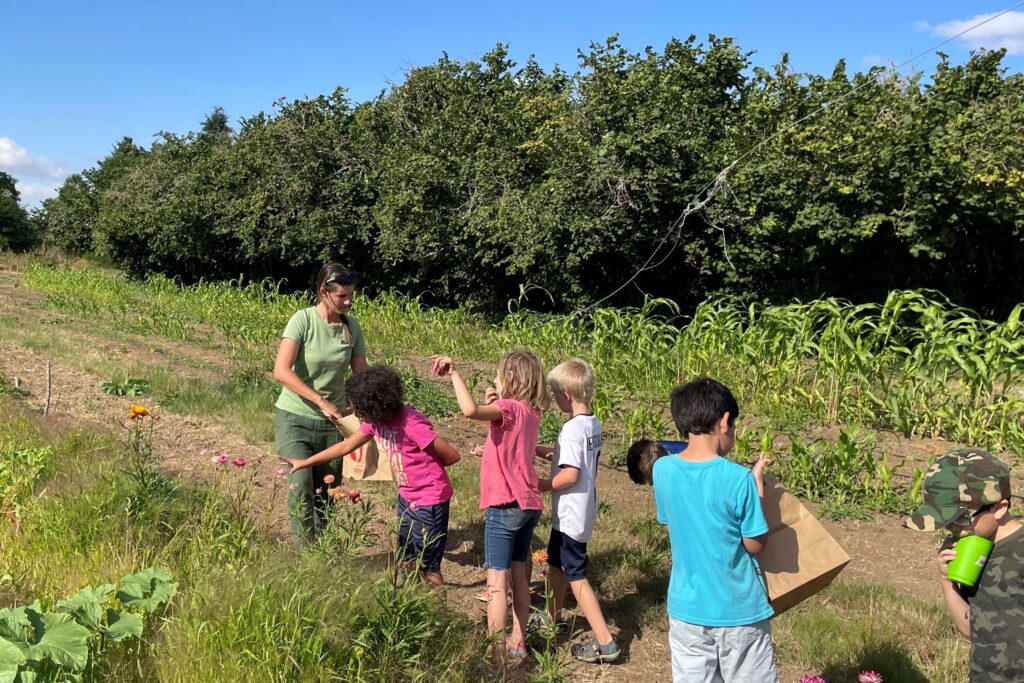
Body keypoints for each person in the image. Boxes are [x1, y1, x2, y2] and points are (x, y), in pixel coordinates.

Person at [285, 365, 460, 586]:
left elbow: (452, 456)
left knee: (429, 567)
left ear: (377, 405)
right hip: (407, 496)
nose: (358, 414)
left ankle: (438, 619)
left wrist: (425, 470)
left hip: (430, 500)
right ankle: (415, 606)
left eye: (361, 410)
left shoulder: (412, 425)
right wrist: (306, 462)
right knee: (406, 559)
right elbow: (346, 446)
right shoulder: (377, 422)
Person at [654, 377, 778, 683]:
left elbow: (674, 522)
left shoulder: (663, 469)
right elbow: (755, 544)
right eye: (733, 426)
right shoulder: (739, 479)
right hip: (739, 612)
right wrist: (757, 488)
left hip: (686, 610)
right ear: (724, 421)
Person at [429, 351, 547, 663]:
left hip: (504, 505)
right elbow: (509, 443)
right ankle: (518, 642)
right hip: (529, 504)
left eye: (496, 376)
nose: (494, 381)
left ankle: (494, 652)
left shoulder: (506, 408)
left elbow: (469, 410)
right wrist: (493, 405)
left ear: (509, 378)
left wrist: (455, 374)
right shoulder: (531, 411)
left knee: (497, 583)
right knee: (520, 574)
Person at [904, 448, 1024, 682]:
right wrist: (946, 580)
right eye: (946, 520)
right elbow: (970, 629)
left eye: (961, 517)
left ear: (999, 508)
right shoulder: (970, 550)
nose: (952, 528)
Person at [533, 358, 620, 663]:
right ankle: (551, 617)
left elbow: (569, 474)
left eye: (555, 394)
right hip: (580, 510)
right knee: (556, 564)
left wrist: (541, 484)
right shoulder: (592, 424)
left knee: (576, 576)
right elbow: (574, 458)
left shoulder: (570, 430)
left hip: (570, 512)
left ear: (565, 396)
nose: (554, 399)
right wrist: (538, 449)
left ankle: (606, 642)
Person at [273, 263, 367, 544]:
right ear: (324, 292)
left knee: (327, 493)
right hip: (295, 417)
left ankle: (321, 552)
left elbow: (361, 373)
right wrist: (321, 401)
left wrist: (361, 405)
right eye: (342, 296)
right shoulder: (302, 321)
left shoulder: (351, 327)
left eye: (351, 295)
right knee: (300, 487)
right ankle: (306, 558)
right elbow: (281, 371)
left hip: (332, 424)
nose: (349, 301)